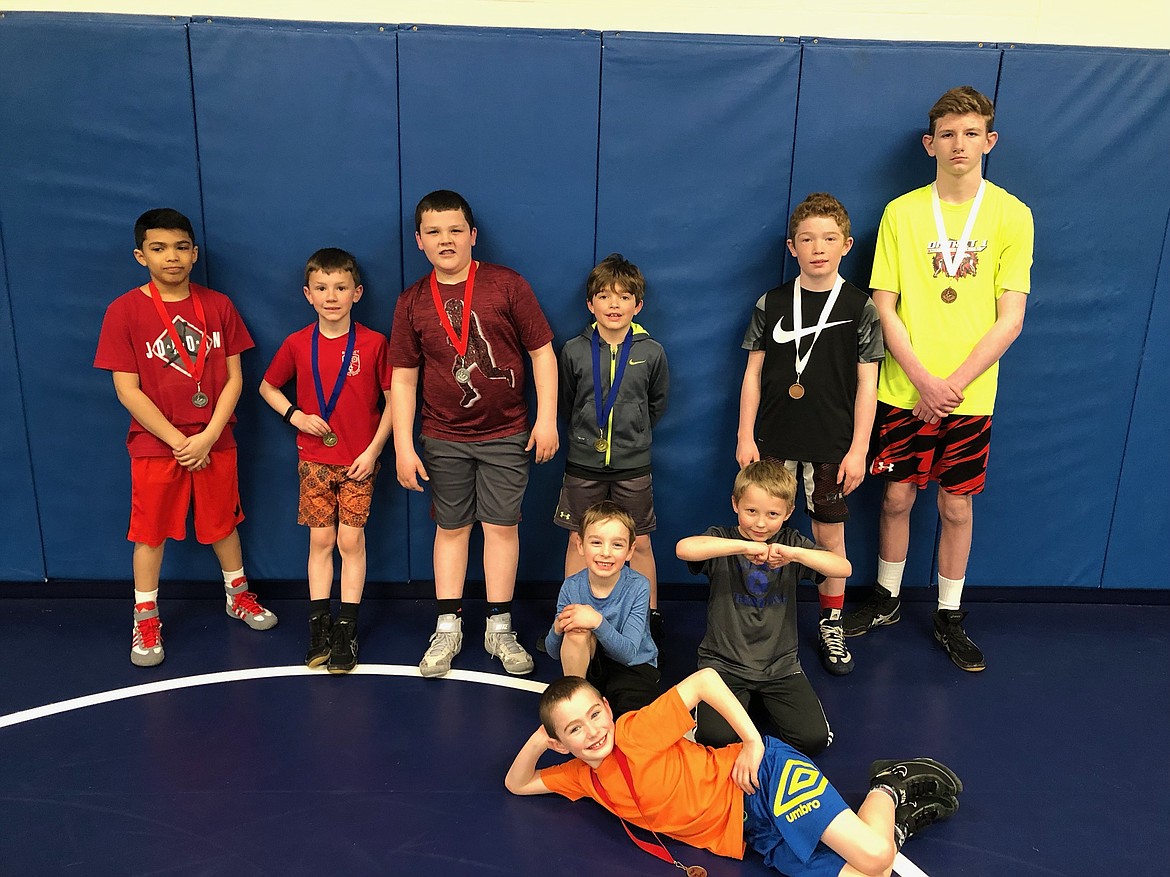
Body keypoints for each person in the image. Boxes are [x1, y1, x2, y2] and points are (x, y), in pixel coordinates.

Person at [841, 86, 1033, 673]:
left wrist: (951, 385)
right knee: (897, 496)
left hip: (971, 396)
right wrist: (923, 380)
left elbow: (1012, 317)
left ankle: (949, 615)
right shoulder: (902, 213)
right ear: (930, 144)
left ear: (989, 141)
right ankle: (887, 598)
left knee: (956, 508)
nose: (959, 144)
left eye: (971, 133)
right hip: (906, 390)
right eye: (947, 134)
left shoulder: (1012, 214)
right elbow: (883, 305)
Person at [505, 669, 962, 877]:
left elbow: (704, 681)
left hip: (760, 780)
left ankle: (889, 782)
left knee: (876, 860)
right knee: (871, 876)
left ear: (607, 708)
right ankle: (897, 823)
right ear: (561, 743)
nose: (592, 732)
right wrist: (543, 738)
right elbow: (518, 783)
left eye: (594, 715)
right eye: (574, 730)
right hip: (749, 838)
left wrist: (753, 742)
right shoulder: (580, 777)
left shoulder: (634, 731)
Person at [94, 208, 277, 667]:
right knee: (150, 531)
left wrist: (209, 436)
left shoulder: (218, 305)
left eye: (180, 247)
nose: (170, 257)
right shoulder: (124, 310)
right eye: (158, 248)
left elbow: (235, 379)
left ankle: (237, 594)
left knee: (223, 522)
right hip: (158, 443)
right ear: (141, 255)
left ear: (194, 254)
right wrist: (180, 439)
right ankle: (145, 616)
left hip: (215, 440)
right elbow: (126, 388)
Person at [390, 189, 558, 678]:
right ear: (419, 241)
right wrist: (403, 446)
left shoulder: (506, 285)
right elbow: (402, 376)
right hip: (442, 435)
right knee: (451, 527)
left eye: (456, 230)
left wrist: (545, 419)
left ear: (473, 236)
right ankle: (447, 625)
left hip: (507, 432)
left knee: (502, 526)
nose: (446, 240)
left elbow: (542, 353)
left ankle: (499, 626)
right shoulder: (412, 302)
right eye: (435, 232)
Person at [737, 193, 884, 677]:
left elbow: (868, 383)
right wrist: (745, 435)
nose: (817, 247)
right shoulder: (771, 302)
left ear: (846, 244)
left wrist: (860, 448)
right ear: (791, 246)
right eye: (806, 239)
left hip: (832, 446)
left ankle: (831, 622)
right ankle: (759, 619)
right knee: (762, 530)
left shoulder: (861, 306)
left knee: (828, 539)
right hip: (773, 443)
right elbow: (753, 373)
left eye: (828, 238)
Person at [259, 248, 393, 673]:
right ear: (307, 294)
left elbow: (394, 403)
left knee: (350, 542)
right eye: (321, 288)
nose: (331, 296)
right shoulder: (297, 343)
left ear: (357, 293)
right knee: (320, 542)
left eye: (340, 288)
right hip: (314, 460)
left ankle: (346, 628)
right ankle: (319, 624)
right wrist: (295, 415)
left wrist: (373, 452)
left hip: (358, 462)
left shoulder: (374, 343)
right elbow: (267, 387)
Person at [676, 460, 851, 755]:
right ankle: (731, 708)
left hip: (779, 666)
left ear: (788, 513)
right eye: (751, 511)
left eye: (772, 514)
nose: (760, 523)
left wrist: (795, 555)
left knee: (814, 740)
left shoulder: (791, 543)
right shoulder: (723, 539)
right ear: (735, 505)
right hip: (724, 665)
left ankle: (760, 701)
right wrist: (743, 547)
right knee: (715, 739)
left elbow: (842, 567)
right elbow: (684, 548)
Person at [553, 253, 669, 643]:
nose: (614, 305)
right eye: (604, 296)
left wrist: (633, 433)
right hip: (583, 462)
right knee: (576, 539)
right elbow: (566, 403)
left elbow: (657, 403)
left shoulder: (651, 351)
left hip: (632, 463)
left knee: (639, 542)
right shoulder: (573, 349)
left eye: (624, 297)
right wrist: (589, 434)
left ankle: (648, 616)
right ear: (591, 304)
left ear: (638, 304)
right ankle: (568, 615)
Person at [543, 501, 660, 718]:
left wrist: (596, 621)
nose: (605, 553)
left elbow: (628, 654)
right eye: (596, 542)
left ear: (629, 551)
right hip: (593, 664)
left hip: (634, 667)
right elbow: (552, 651)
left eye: (617, 545)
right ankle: (577, 700)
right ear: (580, 545)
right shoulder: (571, 586)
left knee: (630, 723)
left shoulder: (639, 586)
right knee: (576, 632)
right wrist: (557, 628)